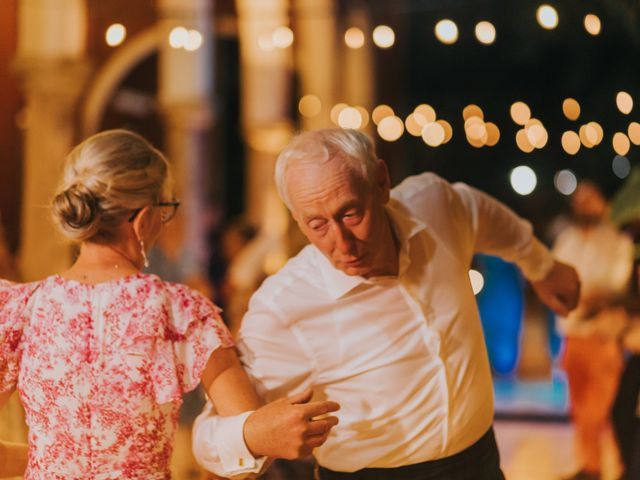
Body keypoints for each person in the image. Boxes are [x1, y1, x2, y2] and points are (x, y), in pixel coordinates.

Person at [192, 128, 580, 480]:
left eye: (350, 213)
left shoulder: (436, 205)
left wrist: (541, 265)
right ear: (296, 219)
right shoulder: (284, 306)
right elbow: (209, 434)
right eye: (317, 224)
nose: (341, 243)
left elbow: (481, 212)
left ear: (381, 182)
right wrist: (252, 435)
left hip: (478, 464)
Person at [0, 129, 340, 479]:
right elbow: (249, 443)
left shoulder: (19, 309)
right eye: (166, 211)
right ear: (144, 218)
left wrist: (56, 458)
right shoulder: (182, 312)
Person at [552, 181, 634, 480]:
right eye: (580, 200)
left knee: (599, 410)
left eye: (591, 199)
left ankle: (613, 467)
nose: (585, 205)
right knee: (579, 407)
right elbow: (553, 278)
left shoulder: (616, 241)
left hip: (603, 335)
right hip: (573, 334)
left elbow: (616, 286)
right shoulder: (567, 239)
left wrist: (585, 294)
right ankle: (591, 468)